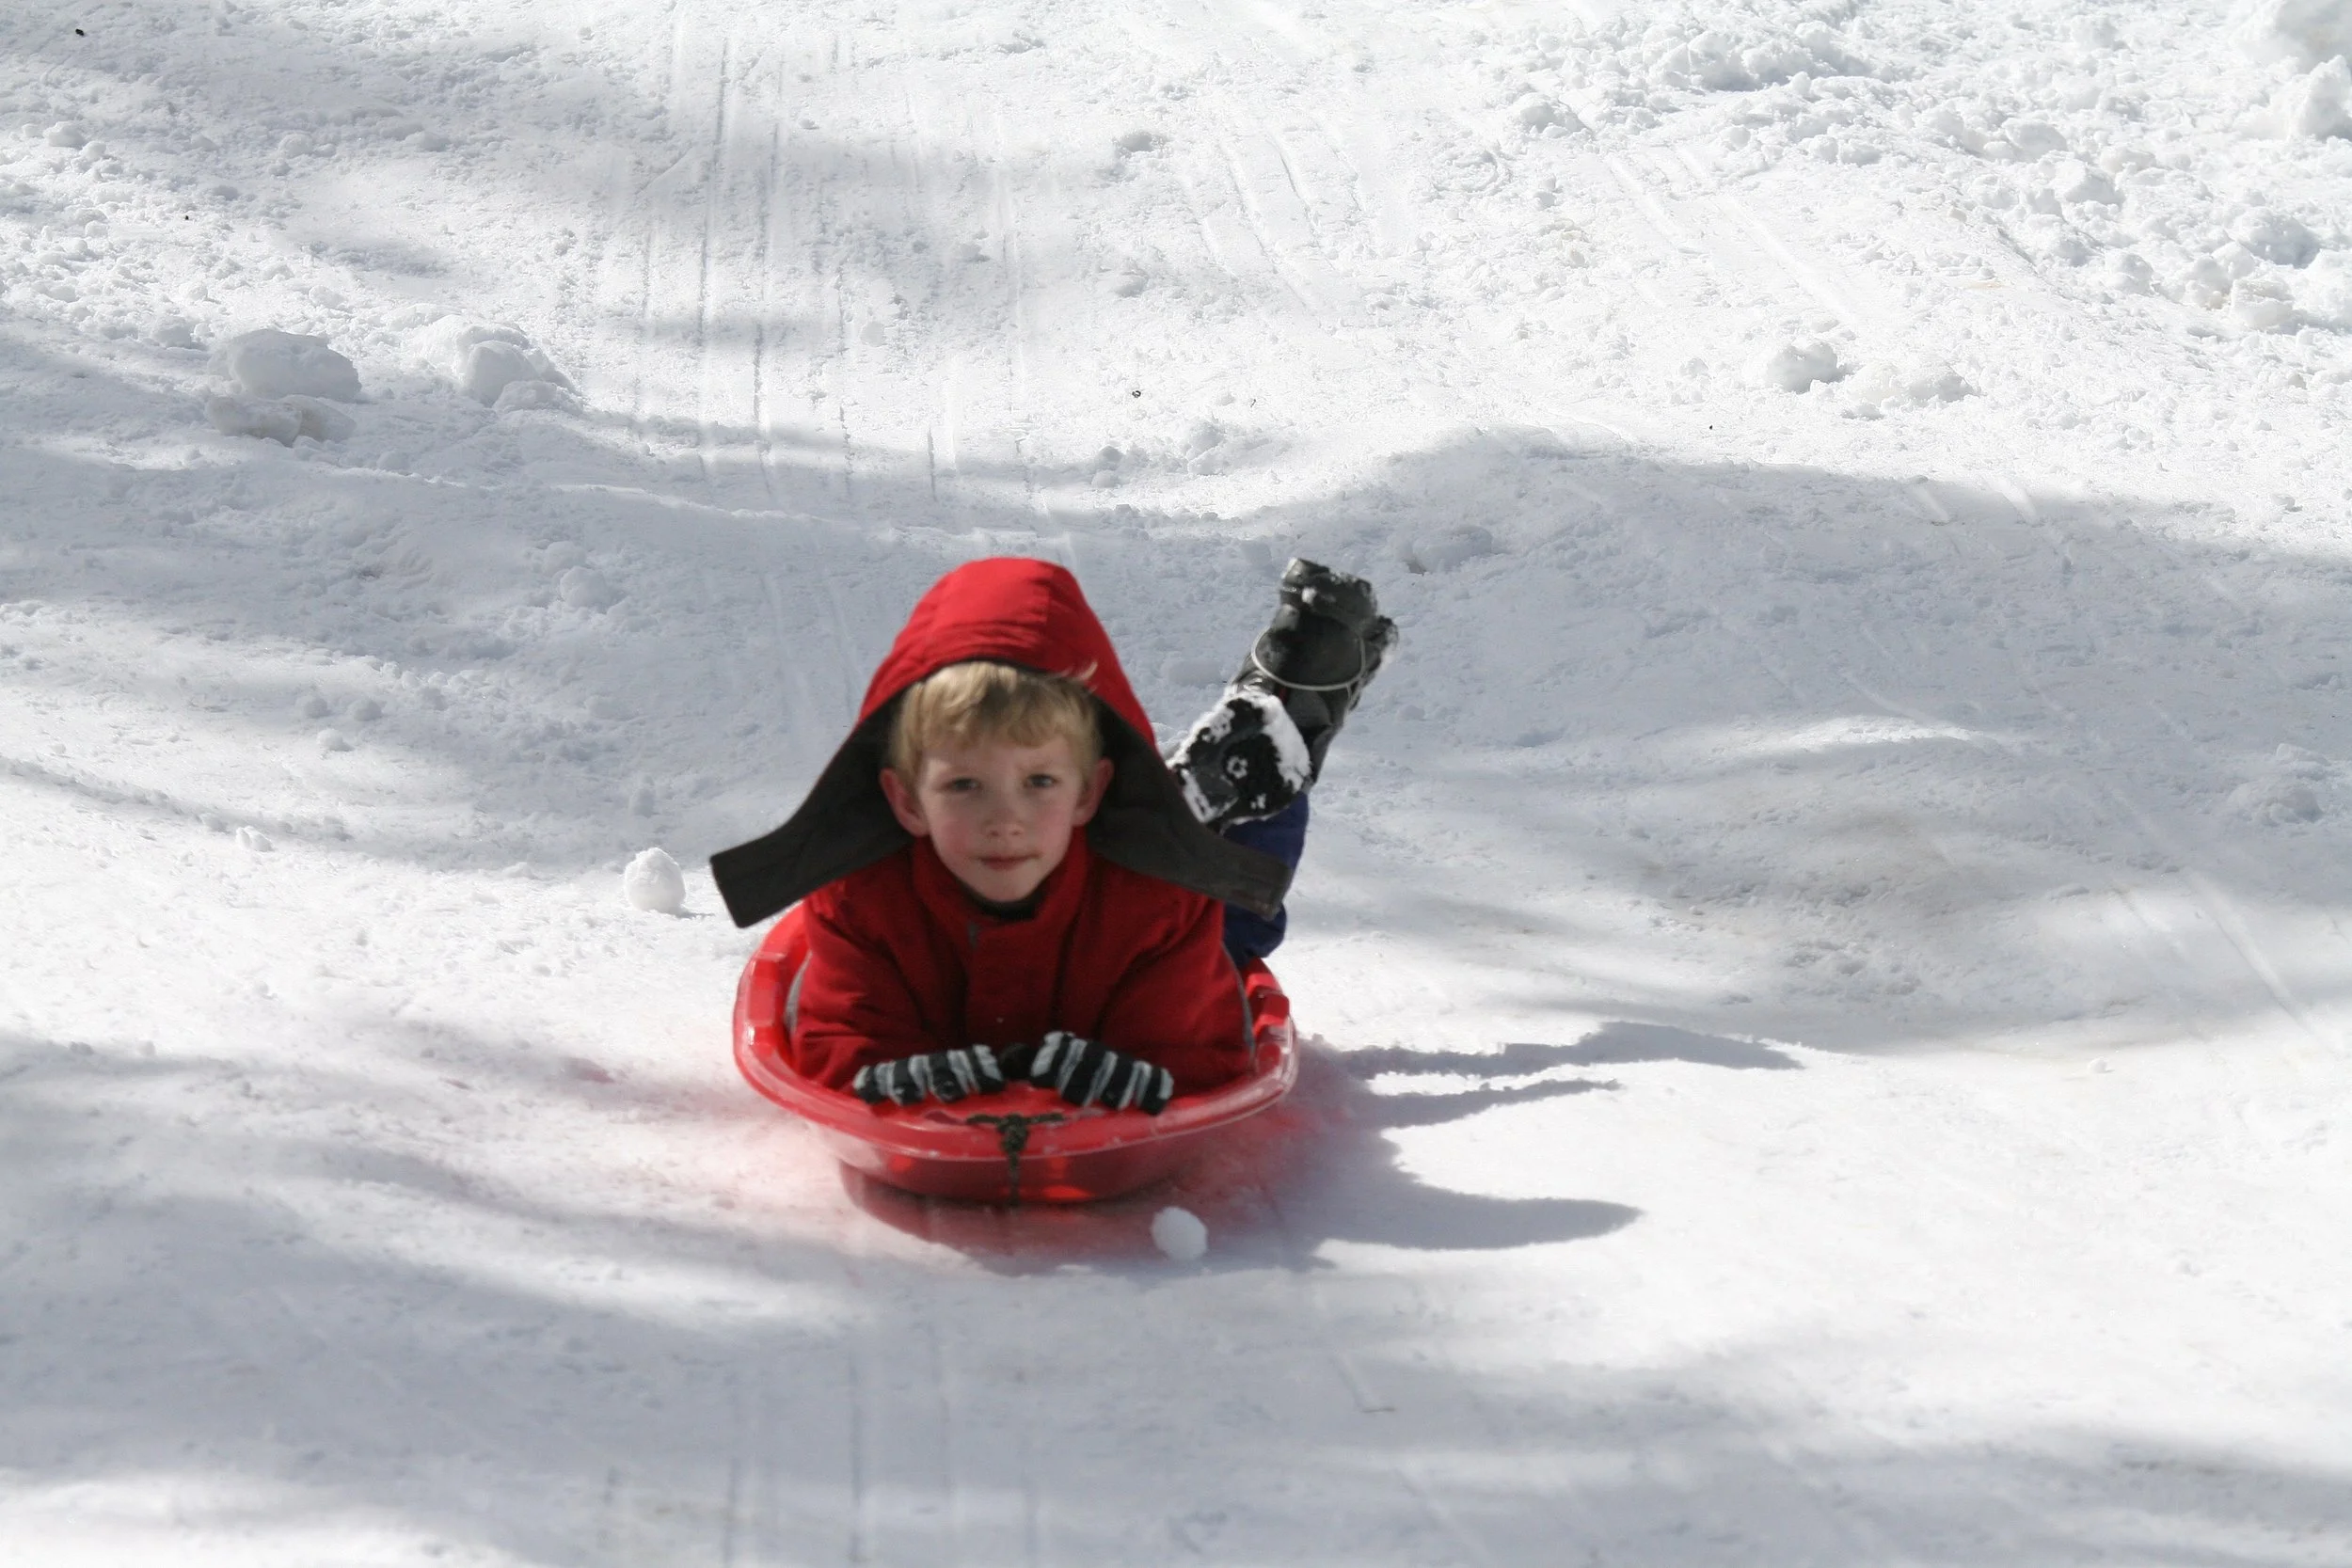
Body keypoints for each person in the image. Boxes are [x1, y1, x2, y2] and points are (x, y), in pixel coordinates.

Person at [707, 555, 1393, 1115]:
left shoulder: (1162, 899)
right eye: (964, 785)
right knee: (1180, 854)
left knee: (1225, 911)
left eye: (1036, 781)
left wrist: (1139, 1078)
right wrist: (894, 1079)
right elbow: (838, 1036)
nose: (1003, 819)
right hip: (1096, 845)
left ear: (1091, 790)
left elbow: (1202, 1049)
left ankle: (1290, 705)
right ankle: (1198, 777)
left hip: (1131, 873)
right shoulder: (862, 896)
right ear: (907, 800)